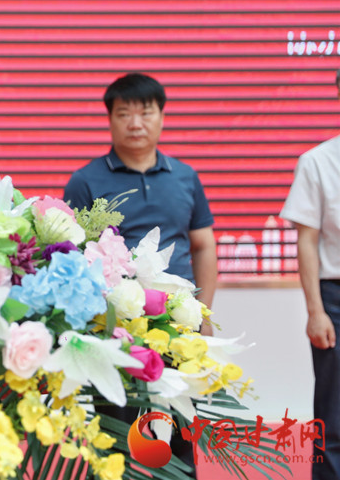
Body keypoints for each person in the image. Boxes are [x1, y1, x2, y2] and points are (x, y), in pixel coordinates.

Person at [62, 72, 218, 478]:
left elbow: (203, 246)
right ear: (110, 119)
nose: (135, 123)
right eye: (124, 113)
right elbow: (73, 255)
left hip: (178, 322)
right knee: (116, 432)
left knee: (181, 430)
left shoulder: (185, 177)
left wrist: (203, 313)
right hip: (114, 326)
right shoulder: (85, 181)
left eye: (145, 112)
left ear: (161, 117)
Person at [280, 68, 340, 480]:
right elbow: (307, 240)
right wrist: (316, 311)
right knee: (334, 413)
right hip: (335, 298)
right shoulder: (318, 161)